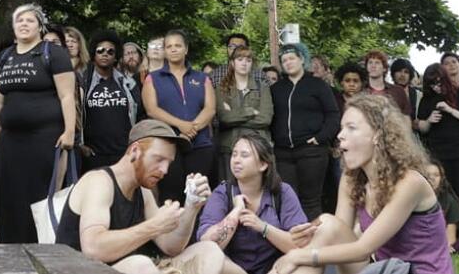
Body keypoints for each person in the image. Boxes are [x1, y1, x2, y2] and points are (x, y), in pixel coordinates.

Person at [269, 95, 453, 274]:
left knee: (306, 251)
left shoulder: (410, 182)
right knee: (326, 223)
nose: (340, 135)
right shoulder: (351, 179)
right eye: (341, 128)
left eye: (351, 128)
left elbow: (364, 248)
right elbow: (335, 235)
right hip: (381, 268)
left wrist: (300, 255)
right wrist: (309, 236)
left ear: (377, 135)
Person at [55, 119, 242, 274]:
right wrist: (154, 226)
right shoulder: (99, 182)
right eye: (159, 159)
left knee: (209, 251)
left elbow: (170, 247)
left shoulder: (142, 191)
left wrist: (192, 206)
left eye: (169, 163)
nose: (165, 170)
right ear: (135, 151)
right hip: (81, 270)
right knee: (141, 265)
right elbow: (93, 248)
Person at [0, 3, 76, 242]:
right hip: (12, 140)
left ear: (40, 26)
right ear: (13, 27)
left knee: (41, 195)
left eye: (30, 20)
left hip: (46, 137)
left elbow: (67, 96)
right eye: (19, 20)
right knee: (12, 195)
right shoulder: (5, 56)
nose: (24, 24)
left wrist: (70, 131)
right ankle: (13, 250)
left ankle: (43, 248)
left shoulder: (53, 53)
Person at [199, 133, 305, 274]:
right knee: (210, 257)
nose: (236, 160)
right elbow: (207, 245)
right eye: (234, 154)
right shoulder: (222, 193)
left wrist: (263, 227)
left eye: (244, 155)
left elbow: (299, 246)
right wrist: (236, 212)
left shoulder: (282, 192)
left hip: (274, 270)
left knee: (305, 262)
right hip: (234, 271)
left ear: (263, 164)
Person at [142, 30, 217, 203]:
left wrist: (191, 130)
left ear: (186, 49)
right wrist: (181, 126)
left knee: (198, 196)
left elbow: (210, 109)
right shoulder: (152, 78)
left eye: (178, 45)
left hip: (200, 145)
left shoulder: (202, 77)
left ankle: (200, 230)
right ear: (164, 51)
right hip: (168, 145)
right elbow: (152, 110)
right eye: (169, 46)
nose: (173, 49)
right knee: (170, 196)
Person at [269, 42, 339, 221]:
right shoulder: (276, 89)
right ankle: (291, 240)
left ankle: (315, 242)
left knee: (311, 200)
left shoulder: (318, 85)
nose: (288, 62)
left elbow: (332, 114)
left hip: (312, 151)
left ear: (301, 60)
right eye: (284, 60)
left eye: (292, 58)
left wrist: (321, 137)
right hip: (283, 152)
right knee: (288, 199)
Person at [415, 62, 459, 229]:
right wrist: (429, 120)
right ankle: (442, 232)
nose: (436, 87)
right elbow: (421, 127)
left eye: (438, 82)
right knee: (440, 192)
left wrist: (451, 110)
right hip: (437, 152)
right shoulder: (426, 99)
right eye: (432, 84)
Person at [81, 31, 140, 173]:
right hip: (93, 155)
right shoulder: (83, 83)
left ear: (116, 57)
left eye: (110, 51)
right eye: (100, 50)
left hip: (123, 153)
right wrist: (80, 145)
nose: (105, 54)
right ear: (93, 55)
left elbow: (140, 114)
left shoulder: (128, 84)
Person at [215, 45, 272, 183]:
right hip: (229, 148)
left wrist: (235, 115)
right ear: (232, 63)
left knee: (259, 188)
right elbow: (224, 118)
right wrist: (250, 111)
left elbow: (265, 118)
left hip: (257, 147)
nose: (244, 63)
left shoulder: (262, 87)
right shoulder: (221, 88)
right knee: (229, 191)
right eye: (240, 59)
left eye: (248, 60)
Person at [362, 51, 410, 117]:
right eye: (370, 62)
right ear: (366, 67)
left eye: (377, 63)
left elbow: (406, 118)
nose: (373, 66)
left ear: (384, 68)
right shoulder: (360, 91)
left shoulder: (398, 91)